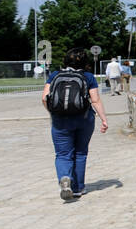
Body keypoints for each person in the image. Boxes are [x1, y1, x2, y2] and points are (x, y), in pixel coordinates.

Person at [42, 47, 109, 201]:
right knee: (80, 153)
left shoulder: (55, 75)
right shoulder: (88, 77)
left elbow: (44, 98)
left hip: (60, 121)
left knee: (63, 154)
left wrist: (54, 113)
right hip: (84, 119)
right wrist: (104, 119)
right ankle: (78, 188)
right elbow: (95, 100)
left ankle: (65, 178)